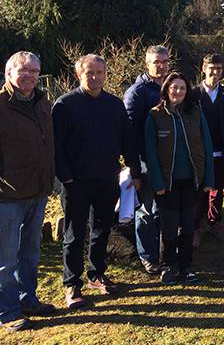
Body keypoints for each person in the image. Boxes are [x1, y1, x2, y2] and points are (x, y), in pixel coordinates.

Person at [53, 54, 142, 308]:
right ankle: (72, 284)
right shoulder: (64, 105)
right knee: (74, 233)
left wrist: (135, 172)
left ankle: (97, 273)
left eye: (99, 73)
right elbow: (56, 146)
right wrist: (66, 176)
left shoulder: (114, 105)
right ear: (78, 75)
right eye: (89, 73)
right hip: (76, 182)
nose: (94, 77)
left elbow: (128, 141)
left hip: (106, 178)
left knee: (101, 230)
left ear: (105, 74)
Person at [0, 51, 55, 332]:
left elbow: (48, 143)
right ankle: (7, 310)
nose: (30, 76)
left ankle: (27, 299)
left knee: (31, 251)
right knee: (5, 258)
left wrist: (50, 178)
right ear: (9, 73)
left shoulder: (41, 102)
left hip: (37, 189)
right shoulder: (1, 105)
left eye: (35, 71)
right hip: (8, 195)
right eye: (23, 71)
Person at [144, 72, 214, 284]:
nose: (178, 91)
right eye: (174, 87)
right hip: (167, 183)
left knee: (188, 226)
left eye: (182, 88)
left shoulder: (195, 113)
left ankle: (186, 267)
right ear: (166, 89)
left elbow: (207, 146)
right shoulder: (155, 115)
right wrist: (157, 182)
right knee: (169, 227)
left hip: (192, 181)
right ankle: (168, 266)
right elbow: (150, 151)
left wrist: (208, 179)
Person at [124, 45, 170, 274]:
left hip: (169, 159)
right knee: (147, 210)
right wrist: (135, 167)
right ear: (147, 63)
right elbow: (129, 132)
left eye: (164, 61)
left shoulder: (172, 86)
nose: (160, 65)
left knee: (166, 208)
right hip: (146, 160)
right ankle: (148, 256)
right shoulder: (137, 92)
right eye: (156, 62)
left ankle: (165, 252)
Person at [192, 54, 224, 247]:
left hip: (221, 151)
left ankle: (215, 222)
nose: (215, 72)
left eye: (219, 68)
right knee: (199, 190)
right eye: (212, 68)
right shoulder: (193, 93)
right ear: (203, 68)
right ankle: (196, 227)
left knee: (218, 189)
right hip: (200, 153)